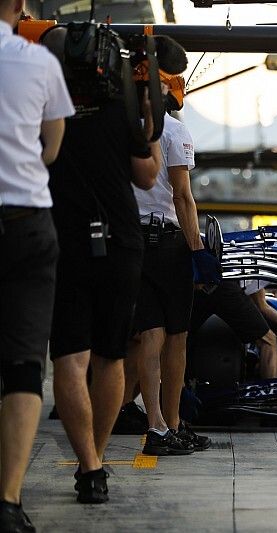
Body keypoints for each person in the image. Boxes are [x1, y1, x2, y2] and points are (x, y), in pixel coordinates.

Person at [42, 27, 177, 503]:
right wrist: (149, 125)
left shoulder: (46, 106)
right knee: (110, 356)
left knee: (70, 358)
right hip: (119, 240)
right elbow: (146, 177)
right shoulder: (120, 111)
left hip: (62, 238)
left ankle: (90, 463)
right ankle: (94, 465)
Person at [0, 2, 73, 529]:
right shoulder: (39, 61)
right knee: (25, 362)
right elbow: (51, 148)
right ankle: (7, 502)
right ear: (19, 7)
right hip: (25, 218)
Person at [127, 73, 216, 456]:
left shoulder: (123, 129)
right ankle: (174, 423)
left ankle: (156, 427)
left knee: (149, 335)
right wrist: (198, 251)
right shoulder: (175, 132)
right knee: (176, 337)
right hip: (168, 243)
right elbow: (182, 197)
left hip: (132, 241)